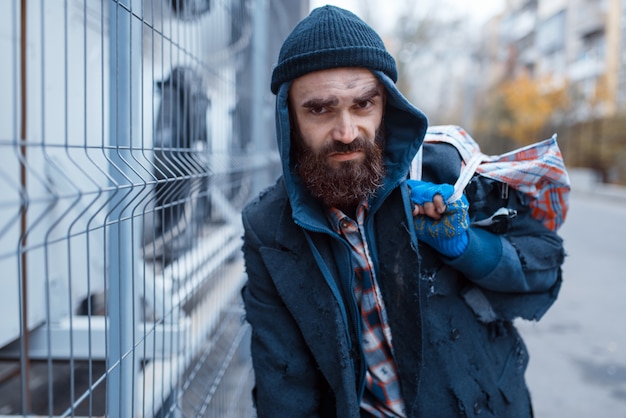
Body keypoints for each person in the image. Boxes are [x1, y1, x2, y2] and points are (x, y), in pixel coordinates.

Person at [240, 5, 565, 417]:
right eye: (320, 109)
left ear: (386, 107)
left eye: (362, 105)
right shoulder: (269, 227)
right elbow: (284, 383)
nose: (346, 132)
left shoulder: (448, 169)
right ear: (289, 117)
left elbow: (544, 266)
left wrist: (467, 247)